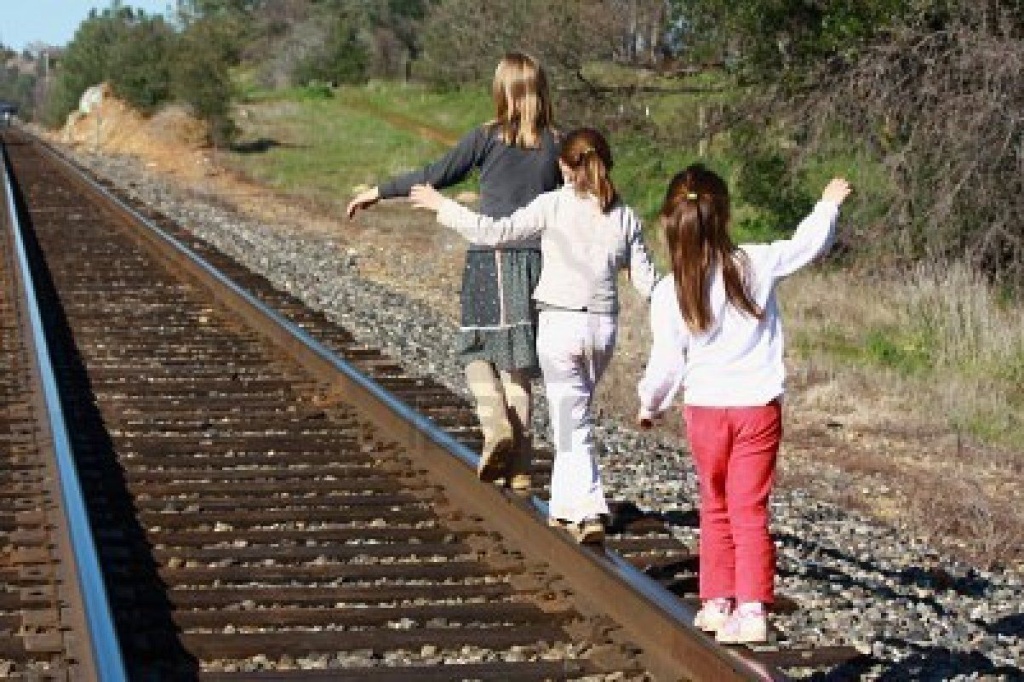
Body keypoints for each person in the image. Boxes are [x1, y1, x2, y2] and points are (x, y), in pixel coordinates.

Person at [411, 128, 658, 543]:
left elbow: (493, 232)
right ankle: (564, 509)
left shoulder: (552, 206)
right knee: (570, 417)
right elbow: (648, 282)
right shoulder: (624, 215)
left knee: (572, 421)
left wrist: (443, 206)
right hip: (603, 328)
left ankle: (590, 511)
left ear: (563, 165)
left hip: (561, 325)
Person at [636, 165, 851, 643]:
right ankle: (751, 609)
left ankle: (717, 601)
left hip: (706, 413)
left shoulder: (670, 292)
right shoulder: (755, 263)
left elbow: (666, 362)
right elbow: (805, 245)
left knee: (714, 506)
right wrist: (828, 204)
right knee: (748, 509)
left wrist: (650, 404)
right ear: (725, 215)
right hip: (757, 409)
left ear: (671, 221)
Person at [346, 53, 560, 491]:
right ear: (541, 90)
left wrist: (378, 192)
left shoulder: (486, 138)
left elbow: (434, 175)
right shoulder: (558, 144)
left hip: (488, 258)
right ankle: (520, 465)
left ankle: (493, 421)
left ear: (501, 92)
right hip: (537, 265)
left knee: (476, 349)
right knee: (518, 362)